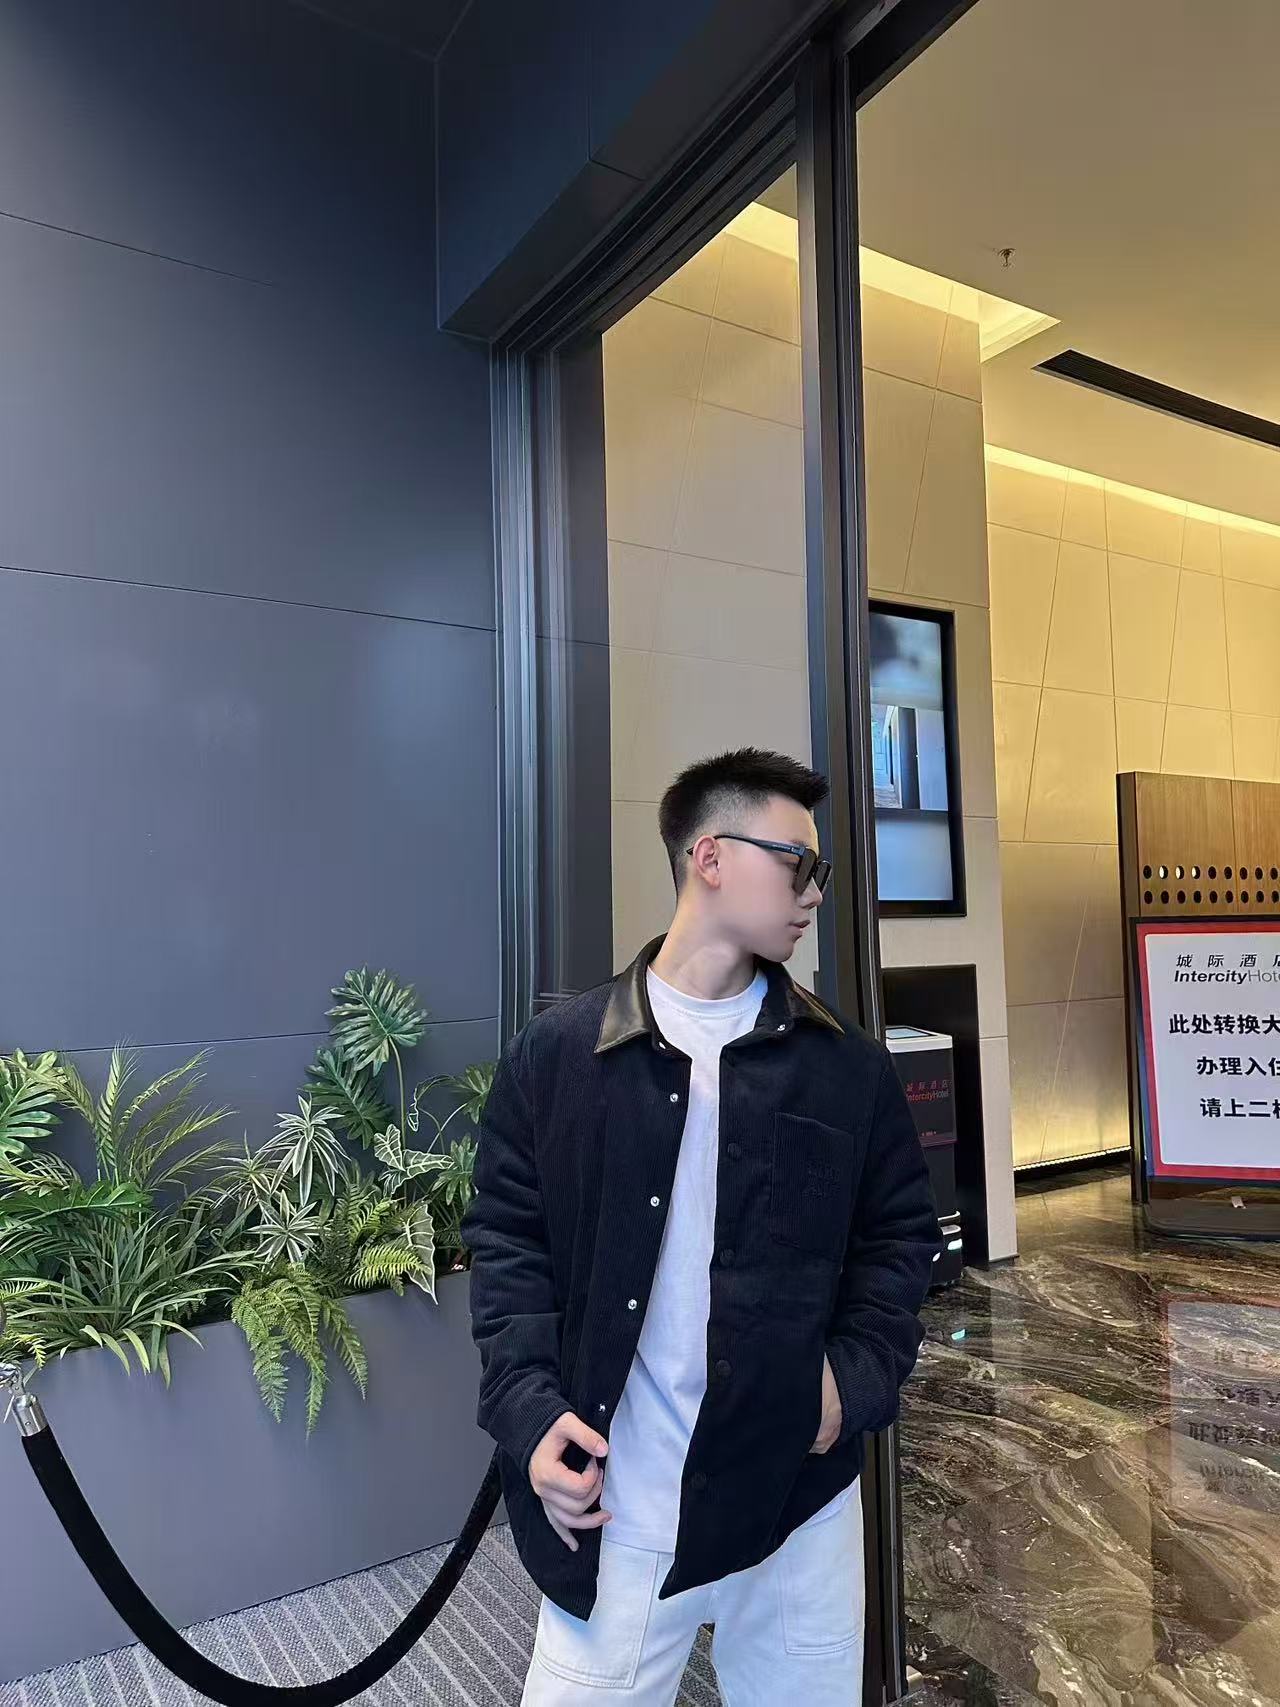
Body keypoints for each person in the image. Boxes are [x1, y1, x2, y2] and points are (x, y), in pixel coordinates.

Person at [461, 747, 941, 1705]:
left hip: (797, 1503)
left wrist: (849, 1384)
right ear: (710, 857)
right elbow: (508, 1245)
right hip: (620, 1504)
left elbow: (899, 1241)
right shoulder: (560, 1056)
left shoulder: (845, 1067)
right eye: (798, 862)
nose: (815, 891)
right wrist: (530, 1411)